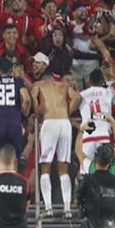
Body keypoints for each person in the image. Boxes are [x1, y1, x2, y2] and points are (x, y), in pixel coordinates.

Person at [31, 52, 79, 218]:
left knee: (45, 166)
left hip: (50, 122)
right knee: (63, 166)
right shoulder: (63, 86)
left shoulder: (38, 85)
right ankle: (67, 208)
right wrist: (68, 110)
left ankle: (49, 207)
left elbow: (34, 103)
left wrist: (39, 114)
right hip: (65, 123)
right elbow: (77, 97)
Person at [76, 143, 115, 228]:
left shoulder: (88, 180)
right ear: (110, 161)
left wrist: (81, 209)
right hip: (113, 227)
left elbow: (78, 198)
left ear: (95, 159)